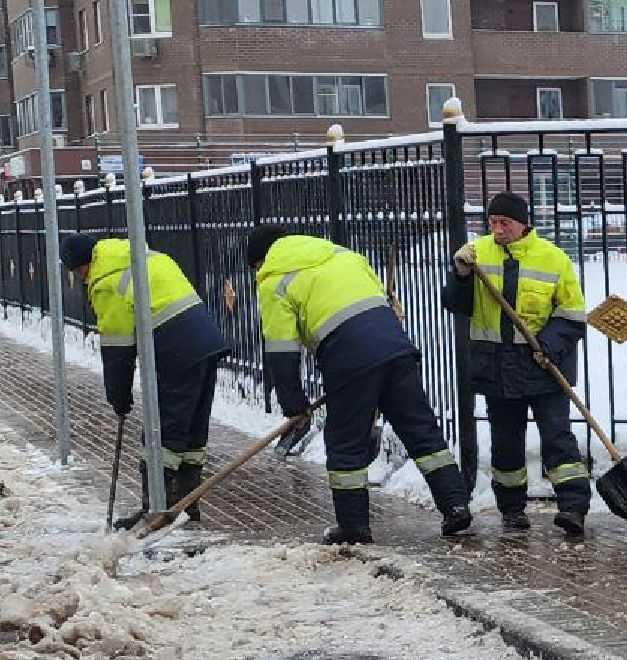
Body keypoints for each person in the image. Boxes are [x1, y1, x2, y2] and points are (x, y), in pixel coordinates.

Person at [246, 225, 473, 544]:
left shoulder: (274, 281)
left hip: (349, 357)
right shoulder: (342, 255)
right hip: (395, 345)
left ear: (261, 260)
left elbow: (282, 353)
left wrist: (294, 407)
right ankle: (455, 505)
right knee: (421, 430)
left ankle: (353, 526)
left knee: (345, 443)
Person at [441, 191, 592, 534]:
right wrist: (461, 275)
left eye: (504, 223)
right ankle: (511, 509)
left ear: (522, 224)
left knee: (557, 436)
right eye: (493, 222)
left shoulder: (553, 259)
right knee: (505, 441)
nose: (498, 229)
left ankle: (573, 507)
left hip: (543, 365)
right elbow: (457, 305)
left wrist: (548, 346)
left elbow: (571, 314)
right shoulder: (477, 254)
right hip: (496, 367)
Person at [61, 232, 228, 527]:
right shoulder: (141, 256)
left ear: (83, 266)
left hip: (176, 348)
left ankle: (157, 513)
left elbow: (117, 351)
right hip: (206, 342)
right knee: (190, 434)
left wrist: (119, 397)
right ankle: (186, 505)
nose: (82, 279)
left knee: (161, 434)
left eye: (78, 272)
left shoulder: (107, 282)